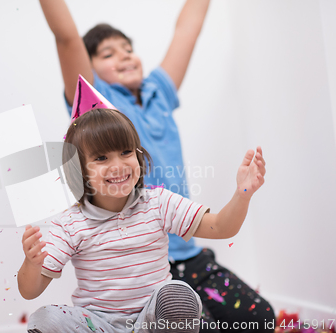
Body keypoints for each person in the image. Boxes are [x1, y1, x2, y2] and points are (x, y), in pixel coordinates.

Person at [38, 0, 275, 331]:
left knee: (259, 318)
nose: (124, 56)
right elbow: (67, 38)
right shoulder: (98, 103)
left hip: (188, 255)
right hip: (137, 269)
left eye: (128, 48)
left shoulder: (158, 92)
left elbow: (187, 31)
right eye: (108, 54)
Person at [18, 108, 266, 333]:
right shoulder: (70, 223)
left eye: (126, 152)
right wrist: (32, 263)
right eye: (101, 158)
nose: (118, 165)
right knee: (44, 319)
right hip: (97, 325)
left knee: (178, 296)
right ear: (78, 170)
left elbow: (221, 226)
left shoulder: (158, 203)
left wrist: (243, 193)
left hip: (152, 322)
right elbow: (30, 291)